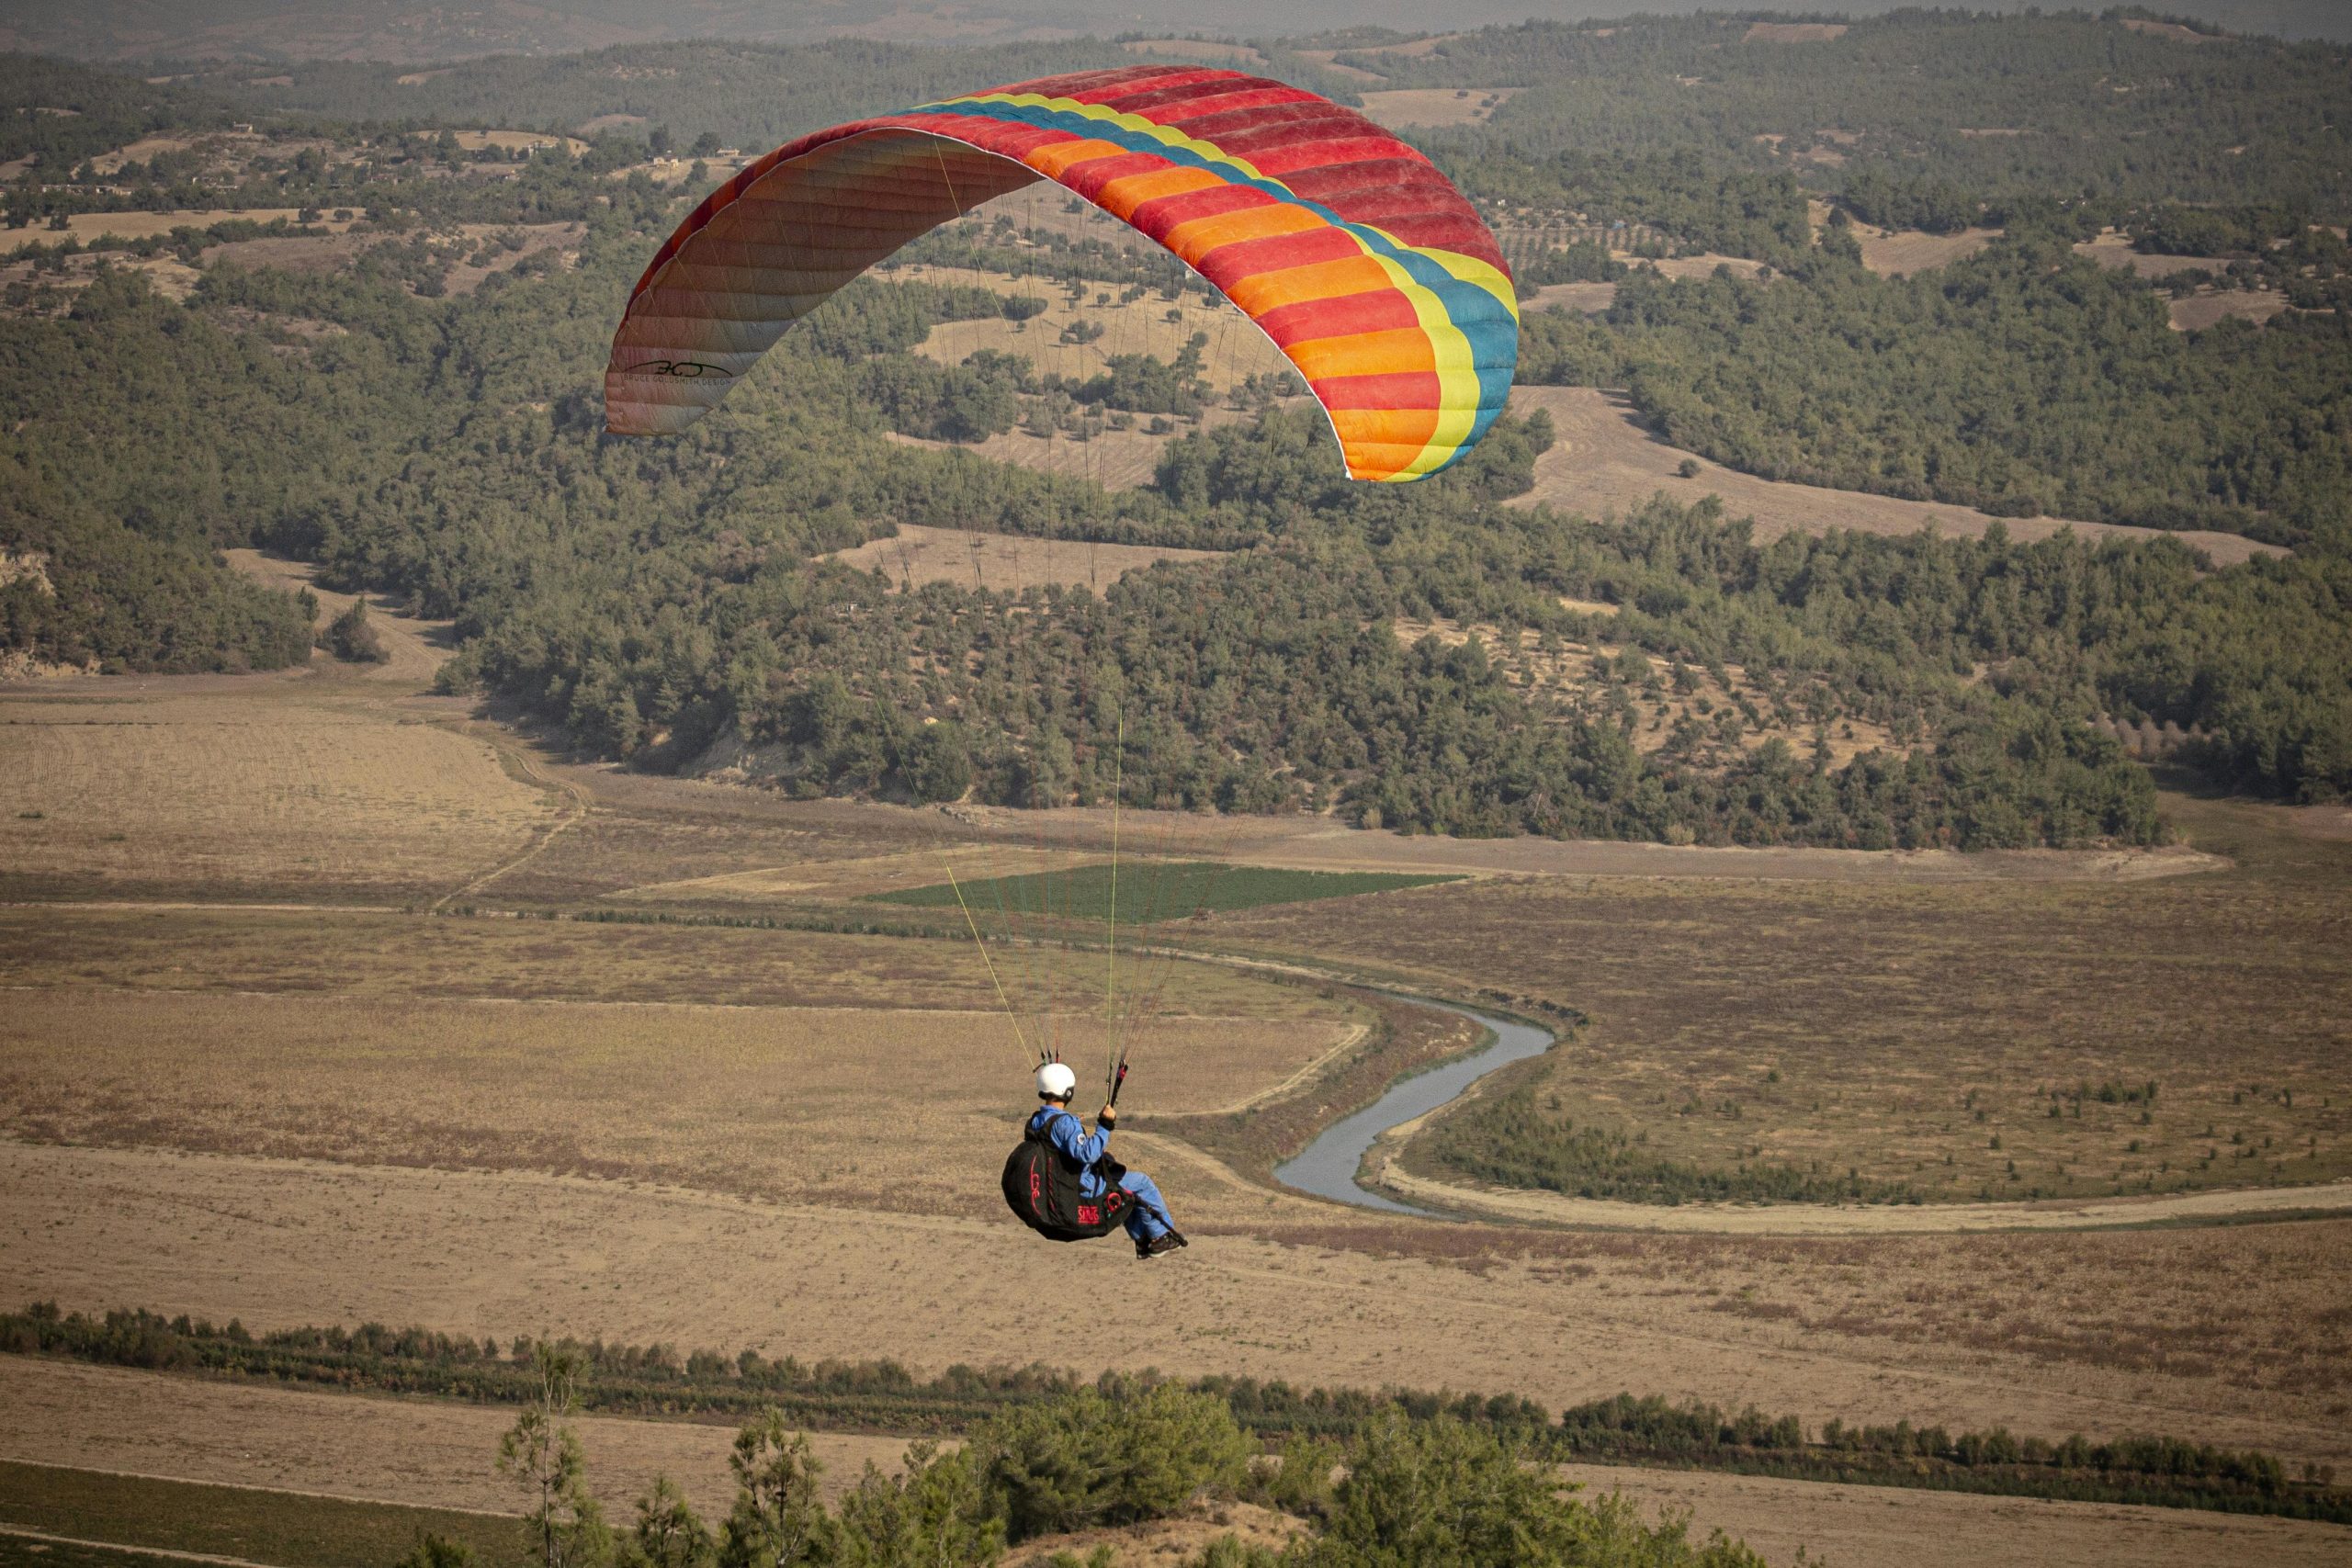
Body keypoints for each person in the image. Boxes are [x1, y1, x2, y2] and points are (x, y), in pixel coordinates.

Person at [1030, 1061, 1186, 1258]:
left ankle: (1143, 1241)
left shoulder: (1037, 1120)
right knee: (1142, 1183)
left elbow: (1056, 1144)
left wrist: (1073, 1128)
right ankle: (1161, 1236)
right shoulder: (1064, 1123)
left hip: (1060, 1184)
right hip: (1083, 1186)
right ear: (1068, 1092)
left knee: (1124, 1189)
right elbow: (1088, 1154)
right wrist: (1105, 1125)